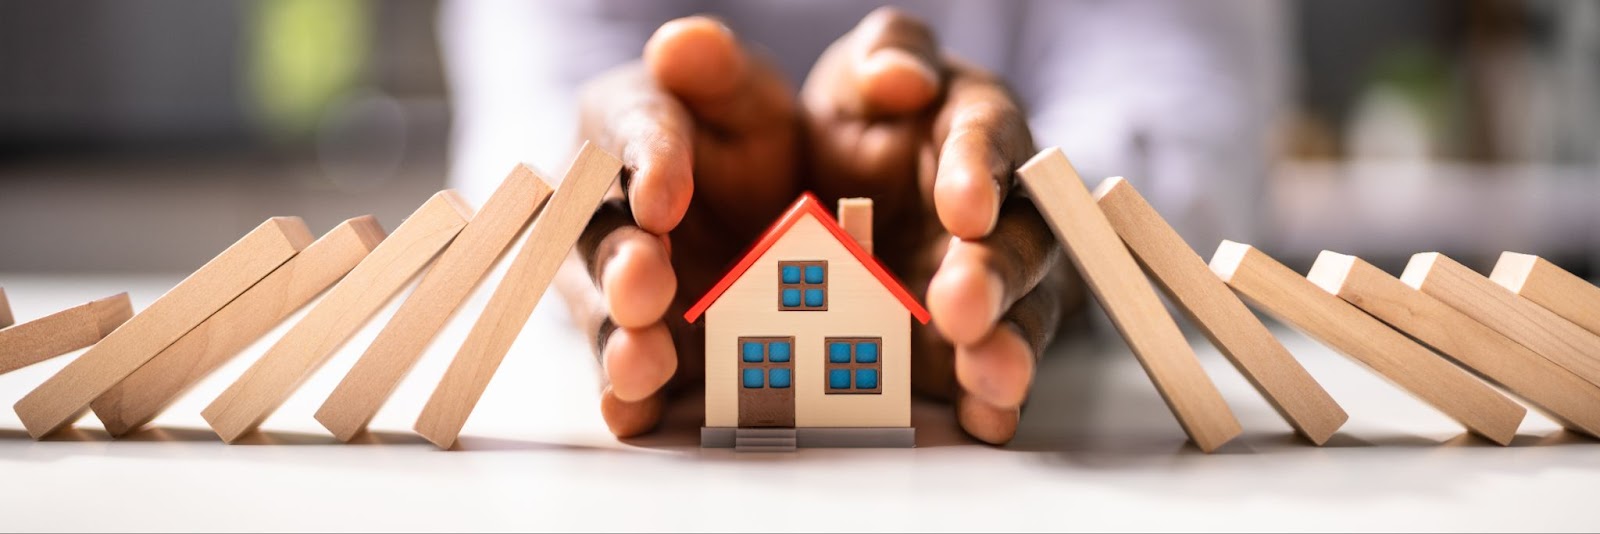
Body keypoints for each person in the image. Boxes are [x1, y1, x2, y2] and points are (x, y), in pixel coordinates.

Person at [442, 1, 1287, 444]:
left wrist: (1045, 221)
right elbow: (531, 98)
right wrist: (598, 197)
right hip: (674, 259)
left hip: (983, 267)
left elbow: (1183, 103)